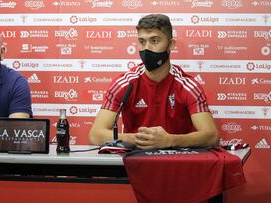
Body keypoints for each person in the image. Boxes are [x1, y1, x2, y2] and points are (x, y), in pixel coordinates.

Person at [89, 14, 218, 149]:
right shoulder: (124, 83)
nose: (147, 48)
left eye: (155, 41)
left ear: (171, 45)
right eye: (142, 41)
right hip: (134, 162)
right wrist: (138, 138)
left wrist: (170, 140)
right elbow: (95, 134)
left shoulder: (188, 86)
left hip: (177, 163)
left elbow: (211, 136)